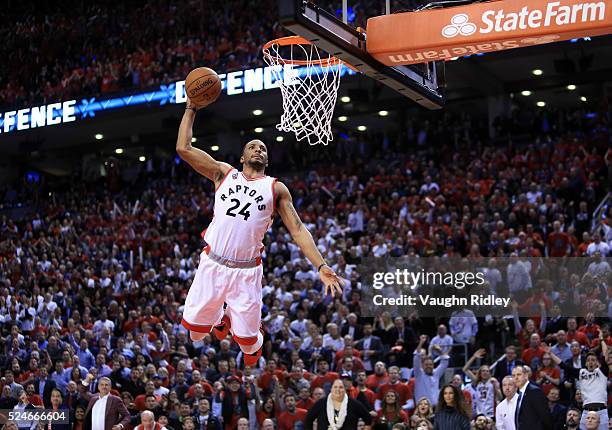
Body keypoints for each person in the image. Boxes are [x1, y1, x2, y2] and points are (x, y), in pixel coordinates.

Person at [176, 97, 343, 365]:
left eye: (263, 148)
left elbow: (298, 230)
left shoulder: (275, 188)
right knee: (195, 334)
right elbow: (183, 148)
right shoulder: (223, 174)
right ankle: (221, 316)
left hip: (246, 272)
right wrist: (191, 108)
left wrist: (321, 265)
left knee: (250, 351)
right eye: (252, 147)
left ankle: (247, 329)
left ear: (267, 157)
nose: (258, 150)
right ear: (242, 157)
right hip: (213, 263)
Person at [546, 338, 608, 430]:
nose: (591, 362)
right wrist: (550, 354)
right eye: (588, 360)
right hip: (586, 411)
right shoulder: (581, 372)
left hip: (601, 411)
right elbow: (564, 366)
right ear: (585, 363)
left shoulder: (602, 372)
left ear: (597, 363)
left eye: (593, 360)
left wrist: (602, 339)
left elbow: (605, 355)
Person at [304, 379, 372, 430]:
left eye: (341, 387)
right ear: (331, 389)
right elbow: (308, 420)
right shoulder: (321, 403)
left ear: (345, 389)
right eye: (335, 387)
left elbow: (368, 418)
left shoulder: (354, 404)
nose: (338, 390)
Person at [511, 365, 552, 430]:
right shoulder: (518, 393)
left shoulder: (534, 391)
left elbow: (545, 417)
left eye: (518, 375)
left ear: (526, 376)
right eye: (513, 376)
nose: (516, 378)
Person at [413, 335, 449, 407]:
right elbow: (416, 358)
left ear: (433, 365)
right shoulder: (419, 374)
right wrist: (421, 343)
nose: (429, 366)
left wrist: (440, 351)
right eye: (426, 364)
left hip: (436, 408)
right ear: (422, 366)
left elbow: (444, 363)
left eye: (430, 364)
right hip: (422, 408)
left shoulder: (436, 373)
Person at [462, 349, 500, 418]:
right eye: (483, 371)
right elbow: (465, 369)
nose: (485, 372)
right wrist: (474, 357)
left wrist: (495, 387)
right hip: (479, 414)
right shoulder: (477, 382)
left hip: (491, 413)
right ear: (480, 373)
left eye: (487, 371)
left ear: (489, 373)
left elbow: (500, 397)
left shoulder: (493, 381)